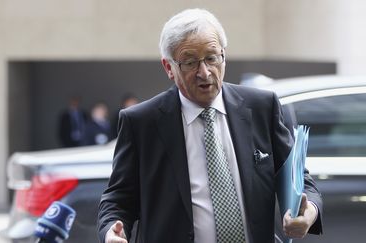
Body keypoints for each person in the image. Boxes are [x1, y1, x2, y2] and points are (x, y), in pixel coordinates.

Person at [98, 8, 323, 243]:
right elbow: (118, 198)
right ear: (168, 68)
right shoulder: (142, 123)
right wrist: (111, 233)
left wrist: (309, 212)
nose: (204, 72)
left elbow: (299, 180)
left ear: (223, 55)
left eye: (211, 58)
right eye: (190, 62)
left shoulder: (262, 108)